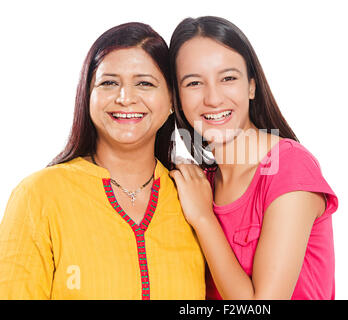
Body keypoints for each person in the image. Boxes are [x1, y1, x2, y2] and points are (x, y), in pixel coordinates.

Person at [0, 22, 205, 300]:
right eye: (109, 83)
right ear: (88, 96)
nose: (125, 98)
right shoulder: (38, 196)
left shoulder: (196, 196)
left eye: (144, 83)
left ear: (172, 100)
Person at [168, 16, 338, 300]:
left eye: (228, 78)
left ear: (251, 86)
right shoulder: (200, 183)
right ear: (177, 99)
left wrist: (204, 218)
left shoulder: (289, 167)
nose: (213, 98)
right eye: (194, 83)